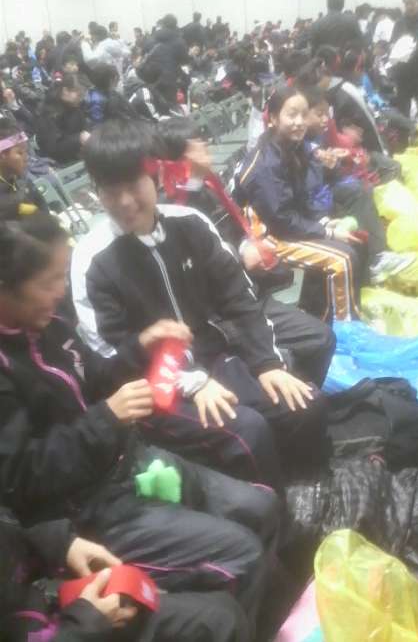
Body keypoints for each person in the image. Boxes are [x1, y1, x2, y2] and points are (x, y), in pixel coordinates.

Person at [0, 213, 282, 641]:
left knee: (262, 508)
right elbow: (21, 478)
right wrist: (105, 419)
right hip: (83, 512)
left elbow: (96, 377)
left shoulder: (51, 326)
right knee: (241, 558)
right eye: (49, 282)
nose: (61, 292)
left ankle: (264, 619)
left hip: (128, 464)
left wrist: (140, 347)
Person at [71, 118, 328, 486]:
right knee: (248, 431)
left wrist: (267, 364)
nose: (125, 202)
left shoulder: (191, 224)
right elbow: (111, 357)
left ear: (157, 176)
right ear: (97, 191)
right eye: (111, 191)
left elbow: (240, 300)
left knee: (305, 404)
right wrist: (191, 383)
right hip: (150, 387)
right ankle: (273, 511)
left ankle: (307, 490)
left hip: (211, 358)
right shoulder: (92, 259)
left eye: (134, 185)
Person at [156, 115, 336, 388]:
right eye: (198, 141)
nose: (206, 144)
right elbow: (195, 274)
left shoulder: (207, 189)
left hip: (247, 292)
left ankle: (301, 390)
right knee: (318, 340)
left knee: (322, 338)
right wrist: (238, 255)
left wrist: (247, 246)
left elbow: (234, 230)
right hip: (221, 312)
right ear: (179, 156)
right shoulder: (172, 211)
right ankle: (293, 393)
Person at [0, 507, 251, 642]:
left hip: (43, 594)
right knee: (241, 554)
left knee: (221, 617)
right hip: (74, 629)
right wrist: (85, 624)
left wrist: (57, 543)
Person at [234, 87, 365, 322]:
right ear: (274, 118)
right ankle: (345, 331)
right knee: (343, 260)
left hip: (289, 226)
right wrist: (326, 232)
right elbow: (281, 221)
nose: (299, 122)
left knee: (354, 242)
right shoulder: (265, 164)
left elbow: (304, 197)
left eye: (303, 115)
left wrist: (324, 222)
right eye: (292, 115)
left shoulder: (295, 148)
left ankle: (325, 317)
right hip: (269, 238)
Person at [303, 87, 414, 282]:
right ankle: (376, 258)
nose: (325, 119)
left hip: (324, 187)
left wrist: (331, 161)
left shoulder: (315, 136)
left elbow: (323, 169)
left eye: (327, 114)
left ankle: (378, 254)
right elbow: (302, 185)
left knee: (362, 187)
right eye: (319, 114)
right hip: (309, 202)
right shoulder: (296, 142)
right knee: (359, 190)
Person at [36, 74, 90, 164]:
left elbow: (83, 128)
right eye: (79, 95)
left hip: (77, 155)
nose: (81, 99)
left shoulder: (75, 106)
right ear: (65, 91)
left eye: (83, 95)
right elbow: (52, 148)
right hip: (60, 162)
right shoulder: (48, 113)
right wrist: (78, 139)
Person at [0, 118, 47, 220]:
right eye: (20, 153)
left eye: (26, 151)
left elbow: (41, 205)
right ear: (2, 155)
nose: (26, 157)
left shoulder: (21, 178)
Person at [140, 14, 190, 107]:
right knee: (169, 106)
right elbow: (184, 61)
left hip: (151, 77)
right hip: (169, 79)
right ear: (175, 25)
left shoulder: (151, 38)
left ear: (163, 24)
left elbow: (143, 53)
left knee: (154, 104)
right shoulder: (179, 41)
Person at [390, 0, 418, 116]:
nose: (409, 7)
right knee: (403, 110)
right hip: (403, 73)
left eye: (412, 3)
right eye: (406, 4)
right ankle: (404, 128)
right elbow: (392, 43)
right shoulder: (400, 23)